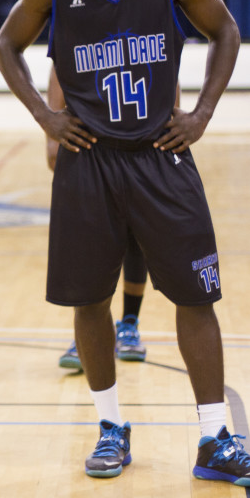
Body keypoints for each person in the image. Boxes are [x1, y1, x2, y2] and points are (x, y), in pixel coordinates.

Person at [0, 0, 250, 486]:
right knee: (89, 299)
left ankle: (214, 438)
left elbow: (225, 29)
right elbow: (5, 45)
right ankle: (110, 428)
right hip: (87, 161)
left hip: (160, 157)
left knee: (196, 296)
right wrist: (47, 117)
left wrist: (200, 113)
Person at [47, 67, 149, 370]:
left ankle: (129, 323)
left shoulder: (146, 22)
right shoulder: (78, 20)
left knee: (134, 237)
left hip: (138, 141)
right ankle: (84, 336)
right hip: (89, 145)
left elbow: (168, 65)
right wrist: (50, 132)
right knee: (88, 241)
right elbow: (59, 68)